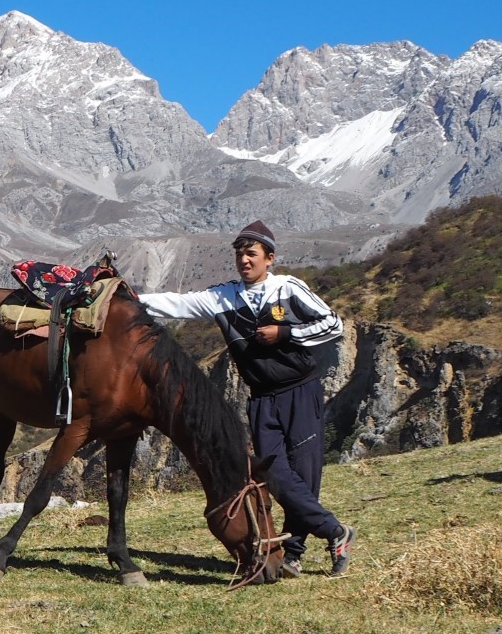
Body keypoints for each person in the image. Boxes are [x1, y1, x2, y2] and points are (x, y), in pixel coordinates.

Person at [138, 220, 355, 578]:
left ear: (269, 258)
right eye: (240, 254)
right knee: (273, 476)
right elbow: (178, 304)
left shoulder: (288, 289)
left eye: (251, 254)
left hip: (301, 391)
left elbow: (333, 324)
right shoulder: (225, 297)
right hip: (261, 399)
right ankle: (335, 531)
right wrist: (130, 299)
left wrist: (285, 332)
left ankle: (294, 553)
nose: (244, 260)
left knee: (303, 474)